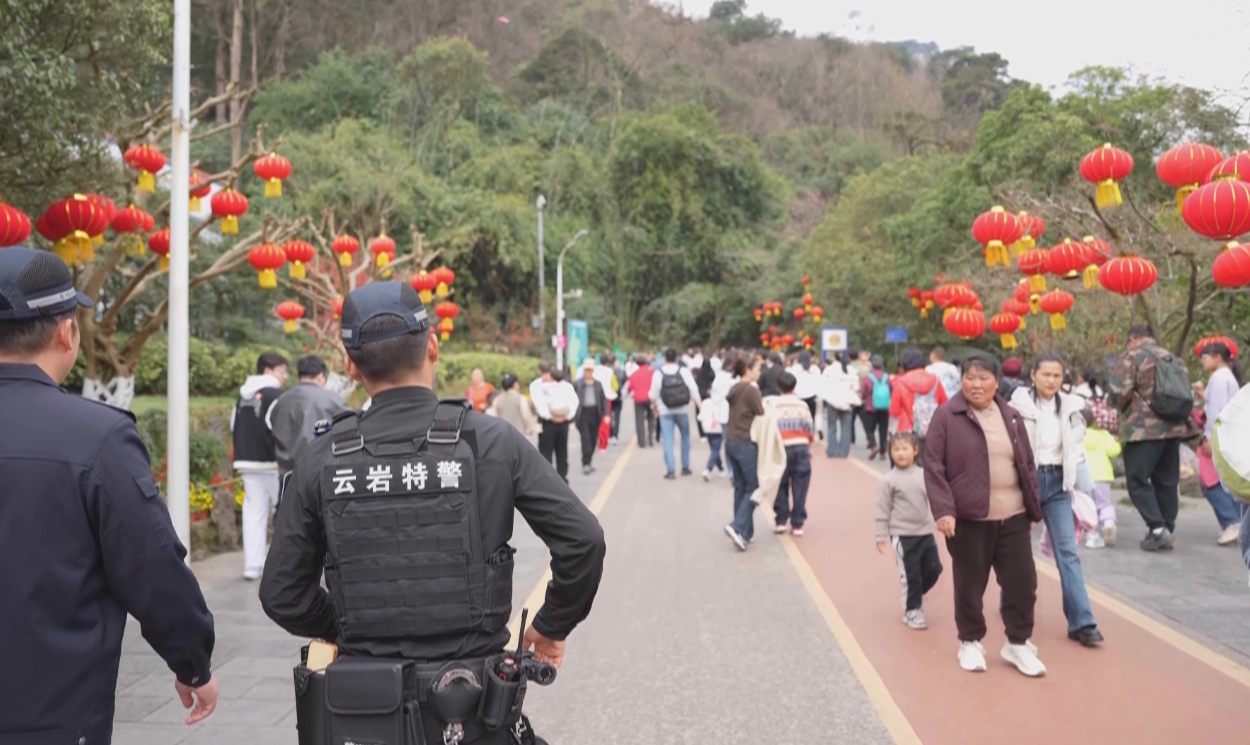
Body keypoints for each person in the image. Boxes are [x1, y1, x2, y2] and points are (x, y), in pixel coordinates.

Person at [260, 281, 605, 745]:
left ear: (349, 364)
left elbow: (281, 592)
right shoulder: (492, 441)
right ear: (433, 348)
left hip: (363, 717)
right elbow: (583, 539)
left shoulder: (321, 458)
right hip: (477, 714)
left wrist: (343, 624)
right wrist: (550, 624)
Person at [0, 247, 218, 741]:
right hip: (51, 714)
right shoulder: (96, 436)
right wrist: (192, 661)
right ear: (66, 332)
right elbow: (151, 563)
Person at [925, 354, 1046, 677]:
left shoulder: (1012, 416)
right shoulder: (946, 416)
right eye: (970, 378)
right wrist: (944, 510)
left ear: (996, 382)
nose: (976, 385)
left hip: (1014, 516)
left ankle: (1018, 643)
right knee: (969, 584)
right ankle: (970, 641)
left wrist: (1032, 507)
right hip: (969, 518)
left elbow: (1026, 463)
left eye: (983, 378)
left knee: (1023, 583)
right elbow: (933, 466)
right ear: (961, 380)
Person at [1009, 353, 1104, 647]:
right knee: (1015, 551)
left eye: (1057, 376)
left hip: (1059, 485)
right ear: (1032, 375)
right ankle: (1009, 603)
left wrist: (1083, 484)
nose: (1051, 381)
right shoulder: (1017, 406)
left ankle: (1082, 622)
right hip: (1026, 482)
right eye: (1046, 374)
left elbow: (1076, 450)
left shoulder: (1073, 407)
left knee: (1068, 552)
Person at [1108, 325, 1201, 551]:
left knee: (1137, 481)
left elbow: (1118, 393)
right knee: (1167, 482)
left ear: (1133, 339)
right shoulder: (1174, 359)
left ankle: (1157, 529)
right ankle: (1166, 529)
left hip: (1142, 431)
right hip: (1174, 428)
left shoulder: (1131, 357)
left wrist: (1118, 405)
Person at [874, 432, 942, 630]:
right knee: (911, 576)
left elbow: (935, 499)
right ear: (890, 453)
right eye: (896, 449)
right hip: (903, 537)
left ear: (915, 450)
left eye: (905, 449)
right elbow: (882, 509)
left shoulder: (924, 475)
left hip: (925, 533)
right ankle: (912, 610)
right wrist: (880, 535)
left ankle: (915, 594)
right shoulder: (888, 480)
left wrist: (942, 518)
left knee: (935, 569)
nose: (901, 453)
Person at [232, 350, 289, 580]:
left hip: (246, 460)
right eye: (282, 371)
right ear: (268, 370)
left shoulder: (242, 395)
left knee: (253, 512)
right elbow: (282, 427)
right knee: (285, 511)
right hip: (272, 462)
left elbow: (233, 425)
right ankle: (284, 564)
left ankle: (252, 565)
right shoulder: (275, 395)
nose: (285, 376)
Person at [270, 355, 351, 479]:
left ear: (299, 375)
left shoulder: (282, 400)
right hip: (322, 471)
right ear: (320, 376)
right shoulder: (332, 399)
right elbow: (351, 424)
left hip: (288, 472)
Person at [1197, 341, 1244, 545]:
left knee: (1209, 482)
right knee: (1228, 481)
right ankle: (1238, 522)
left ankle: (1231, 521)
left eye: (1205, 357)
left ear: (1217, 357)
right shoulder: (1228, 377)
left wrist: (1209, 437)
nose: (1202, 361)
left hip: (1219, 435)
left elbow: (1216, 410)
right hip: (1232, 434)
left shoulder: (1218, 378)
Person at [724, 353, 766, 550]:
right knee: (753, 487)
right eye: (757, 368)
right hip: (745, 442)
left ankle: (744, 533)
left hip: (731, 441)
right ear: (748, 370)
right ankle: (738, 526)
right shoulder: (751, 390)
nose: (759, 372)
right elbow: (761, 413)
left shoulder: (734, 388)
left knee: (741, 486)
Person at [772, 373, 815, 536]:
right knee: (800, 485)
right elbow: (810, 427)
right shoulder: (802, 405)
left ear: (778, 387)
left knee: (780, 484)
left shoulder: (772, 405)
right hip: (800, 446)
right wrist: (809, 444)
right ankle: (797, 523)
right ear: (794, 387)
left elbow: (769, 428)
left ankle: (781, 520)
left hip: (780, 448)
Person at [650, 347, 703, 479]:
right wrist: (702, 408)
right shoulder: (684, 371)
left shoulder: (658, 373)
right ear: (677, 358)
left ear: (664, 358)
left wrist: (654, 407)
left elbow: (653, 394)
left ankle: (671, 470)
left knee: (668, 439)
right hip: (682, 410)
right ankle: (685, 467)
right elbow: (694, 390)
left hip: (665, 411)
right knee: (685, 437)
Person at [530, 360, 579, 483]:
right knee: (554, 452)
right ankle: (556, 479)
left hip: (553, 422)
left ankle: (553, 479)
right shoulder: (539, 385)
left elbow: (539, 404)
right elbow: (573, 402)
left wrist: (555, 417)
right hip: (555, 423)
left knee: (554, 452)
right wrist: (563, 417)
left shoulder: (563, 386)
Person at [1082, 408, 1120, 548]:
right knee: (1104, 504)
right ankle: (1109, 523)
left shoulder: (1076, 435)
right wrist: (1117, 442)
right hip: (1103, 475)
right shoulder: (1103, 434)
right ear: (1093, 421)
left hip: (1083, 476)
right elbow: (1114, 451)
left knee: (1087, 507)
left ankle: (1091, 536)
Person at [891, 347, 948, 439]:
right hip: (933, 432)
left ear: (904, 363)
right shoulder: (935, 380)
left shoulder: (900, 382)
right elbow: (945, 406)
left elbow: (894, 411)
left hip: (907, 433)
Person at [820, 351, 861, 458]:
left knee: (831, 427)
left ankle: (832, 450)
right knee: (846, 427)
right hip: (847, 402)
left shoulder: (829, 370)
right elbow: (856, 387)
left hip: (832, 401)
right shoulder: (851, 370)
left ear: (834, 357)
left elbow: (823, 385)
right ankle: (844, 451)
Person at [574, 357, 609, 475]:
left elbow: (603, 400)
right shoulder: (578, 384)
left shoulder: (598, 384)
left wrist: (606, 414)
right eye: (586, 370)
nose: (588, 372)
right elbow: (572, 399)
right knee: (586, 439)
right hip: (583, 413)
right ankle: (585, 463)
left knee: (593, 440)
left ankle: (589, 461)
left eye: (590, 370)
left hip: (595, 413)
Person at [698, 366, 730, 481]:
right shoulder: (724, 403)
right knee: (715, 450)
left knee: (714, 450)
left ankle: (720, 469)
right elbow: (725, 418)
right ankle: (708, 469)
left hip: (708, 429)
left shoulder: (706, 402)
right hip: (719, 429)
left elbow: (700, 416)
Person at [859, 354, 892, 460]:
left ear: (872, 365)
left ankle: (873, 446)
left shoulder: (868, 378)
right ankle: (883, 452)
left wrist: (866, 398)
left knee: (869, 429)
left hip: (871, 408)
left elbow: (863, 393)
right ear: (882, 365)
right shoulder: (887, 377)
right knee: (883, 430)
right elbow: (891, 389)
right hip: (884, 408)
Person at [627, 354, 657, 448]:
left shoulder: (634, 374)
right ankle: (651, 439)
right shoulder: (652, 372)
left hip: (638, 399)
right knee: (651, 418)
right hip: (650, 398)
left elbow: (630, 387)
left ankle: (642, 441)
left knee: (639, 419)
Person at [494, 372, 538, 436]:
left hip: (502, 434)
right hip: (518, 433)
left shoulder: (497, 400)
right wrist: (529, 428)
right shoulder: (521, 398)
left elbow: (494, 417)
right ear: (515, 384)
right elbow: (525, 415)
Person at [592, 353, 620, 444]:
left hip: (595, 397)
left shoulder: (594, 370)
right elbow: (615, 386)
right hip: (607, 397)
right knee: (606, 418)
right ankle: (604, 438)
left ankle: (596, 435)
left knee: (596, 417)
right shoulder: (610, 371)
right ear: (607, 362)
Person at [789, 350, 821, 420]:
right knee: (811, 418)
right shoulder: (815, 368)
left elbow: (792, 381)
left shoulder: (795, 368)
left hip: (798, 396)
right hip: (812, 396)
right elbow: (819, 383)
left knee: (799, 418)